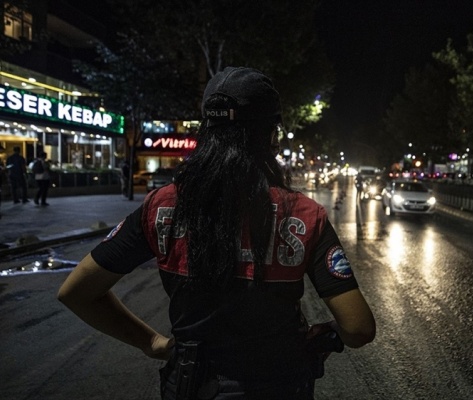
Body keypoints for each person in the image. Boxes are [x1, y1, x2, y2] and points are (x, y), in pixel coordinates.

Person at [57, 66, 376, 399]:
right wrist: (329, 334)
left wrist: (151, 341)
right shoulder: (305, 215)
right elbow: (359, 328)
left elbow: (76, 292)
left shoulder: (161, 206)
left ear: (205, 130)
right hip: (278, 384)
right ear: (271, 135)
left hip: (190, 386)